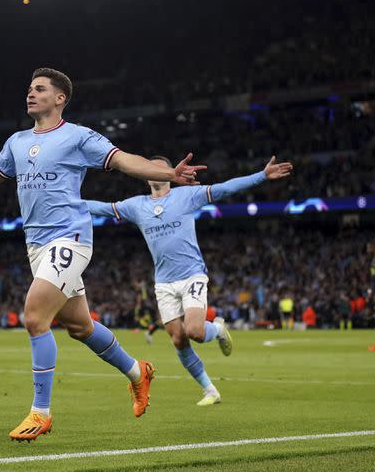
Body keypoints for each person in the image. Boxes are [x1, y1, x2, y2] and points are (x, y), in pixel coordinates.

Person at [0, 68, 206, 442]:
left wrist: (165, 172)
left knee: (34, 315)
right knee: (80, 327)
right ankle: (138, 372)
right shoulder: (17, 142)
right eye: (29, 88)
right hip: (36, 245)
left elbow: (123, 160)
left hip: (70, 237)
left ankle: (41, 412)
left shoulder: (77, 136)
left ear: (60, 99)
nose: (30, 94)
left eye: (39, 89)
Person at [86, 155, 292, 405]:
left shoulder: (186, 195)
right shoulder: (136, 206)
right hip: (163, 283)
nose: (155, 172)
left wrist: (261, 176)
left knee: (194, 330)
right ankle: (210, 390)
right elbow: (103, 208)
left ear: (170, 174)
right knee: (178, 339)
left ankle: (217, 329)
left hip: (191, 274)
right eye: (150, 169)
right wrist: (67, 202)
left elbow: (224, 188)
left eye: (160, 168)